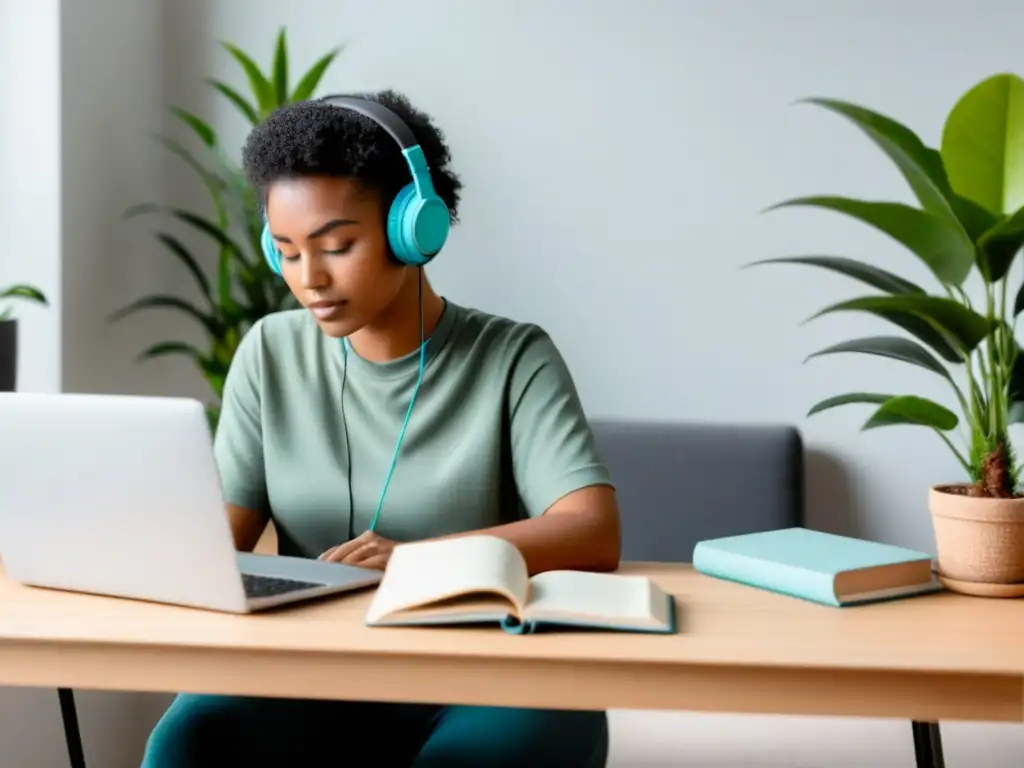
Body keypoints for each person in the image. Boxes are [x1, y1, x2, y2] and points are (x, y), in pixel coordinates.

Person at [140, 89, 621, 768]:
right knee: (185, 743)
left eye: (336, 246)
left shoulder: (513, 356)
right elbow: (221, 542)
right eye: (288, 251)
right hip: (314, 672)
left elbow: (592, 531)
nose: (311, 279)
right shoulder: (269, 353)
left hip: (495, 672)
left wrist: (419, 559)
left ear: (412, 227)